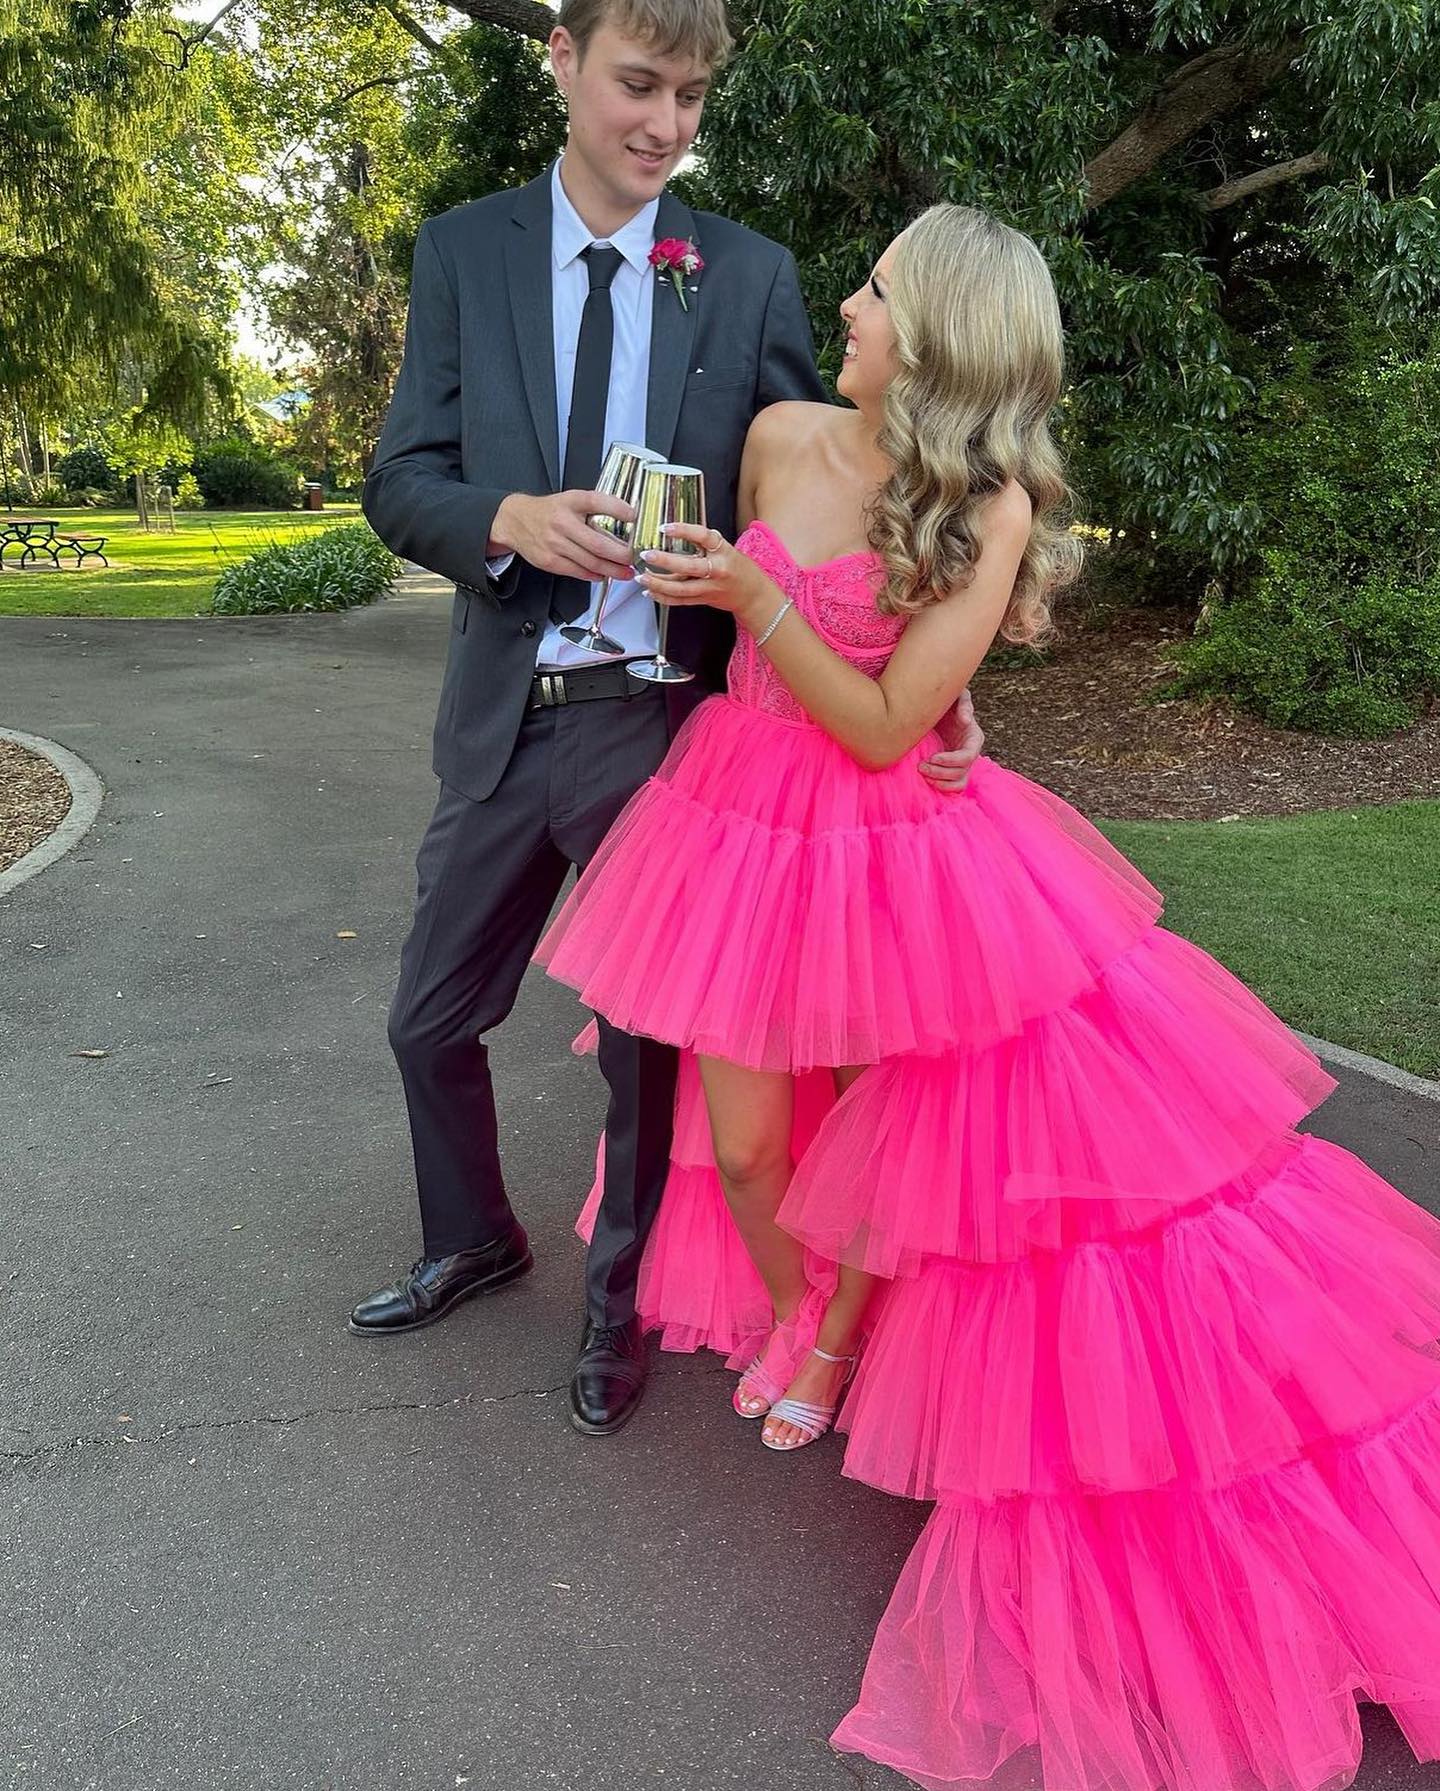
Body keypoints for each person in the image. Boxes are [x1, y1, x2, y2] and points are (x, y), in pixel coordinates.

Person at [536, 203, 1440, 1788]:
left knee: (918, 1149)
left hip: (898, 851)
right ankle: (812, 1318)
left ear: (940, 336)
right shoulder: (776, 435)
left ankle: (837, 1354)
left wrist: (764, 613)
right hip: (734, 823)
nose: (851, 307)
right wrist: (688, 575)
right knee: (747, 1145)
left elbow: (893, 724)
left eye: (877, 291)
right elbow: (735, 622)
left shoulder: (989, 502)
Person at [354, 0, 983, 1438]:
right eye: (641, 84)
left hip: (666, 726)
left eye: (692, 97)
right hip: (507, 708)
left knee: (648, 1057)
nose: (666, 123)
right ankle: (472, 1234)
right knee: (428, 1015)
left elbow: (849, 501)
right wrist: (499, 516)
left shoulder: (746, 274)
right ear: (561, 61)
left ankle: (615, 1312)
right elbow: (400, 477)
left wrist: (946, 685)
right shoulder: (463, 251)